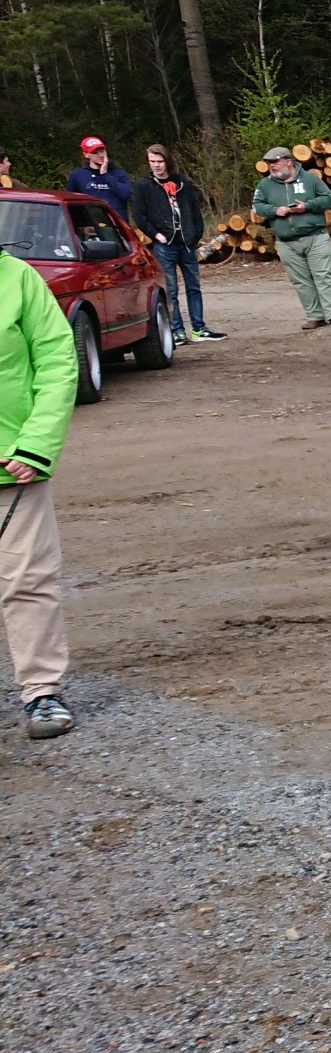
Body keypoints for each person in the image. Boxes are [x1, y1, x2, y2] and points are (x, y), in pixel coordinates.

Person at [0, 248, 78, 739]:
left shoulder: (19, 279)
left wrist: (35, 445)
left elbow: (56, 361)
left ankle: (42, 690)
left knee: (28, 582)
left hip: (13, 466)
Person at [132, 144, 223, 342]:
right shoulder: (144, 185)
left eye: (160, 161)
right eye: (152, 161)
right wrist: (156, 235)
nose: (156, 165)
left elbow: (195, 210)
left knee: (194, 287)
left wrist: (195, 234)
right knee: (170, 290)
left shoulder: (183, 183)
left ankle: (199, 328)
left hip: (187, 243)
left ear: (167, 161)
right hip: (164, 245)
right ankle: (176, 330)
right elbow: (139, 215)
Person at [251, 147, 331, 330]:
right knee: (300, 280)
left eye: (276, 162)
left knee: (323, 276)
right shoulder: (265, 184)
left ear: (288, 161)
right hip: (286, 241)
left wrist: (307, 206)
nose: (272, 166)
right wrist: (274, 210)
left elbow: (327, 199)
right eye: (269, 163)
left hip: (315, 237)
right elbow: (257, 205)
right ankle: (314, 316)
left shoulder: (310, 179)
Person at [66, 136, 134, 221]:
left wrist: (105, 175)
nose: (101, 155)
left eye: (102, 151)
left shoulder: (119, 174)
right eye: (95, 153)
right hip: (92, 224)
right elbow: (71, 204)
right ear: (86, 154)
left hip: (118, 222)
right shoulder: (77, 175)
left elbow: (126, 195)